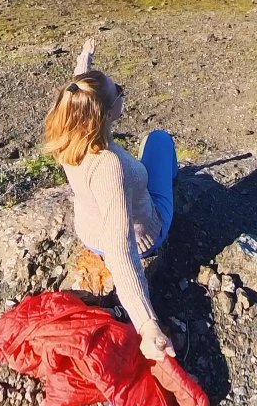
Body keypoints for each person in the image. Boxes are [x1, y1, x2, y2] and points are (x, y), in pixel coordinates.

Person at [44, 37, 178, 362]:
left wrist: (84, 61)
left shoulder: (66, 132)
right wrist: (147, 324)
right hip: (144, 236)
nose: (122, 91)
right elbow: (121, 249)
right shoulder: (109, 166)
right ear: (105, 114)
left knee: (147, 152)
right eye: (118, 90)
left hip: (90, 232)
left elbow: (78, 89)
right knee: (159, 141)